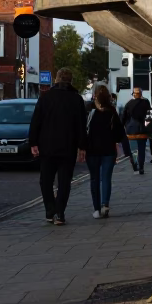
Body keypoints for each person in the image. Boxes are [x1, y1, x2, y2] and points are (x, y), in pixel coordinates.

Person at [28, 67, 86, 225]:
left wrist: (33, 142)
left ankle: (49, 210)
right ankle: (60, 213)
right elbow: (81, 125)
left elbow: (36, 121)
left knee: (45, 180)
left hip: (47, 147)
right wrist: (82, 147)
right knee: (64, 181)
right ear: (70, 80)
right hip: (68, 147)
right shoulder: (77, 99)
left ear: (57, 79)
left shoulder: (46, 98)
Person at [85, 83, 133, 218]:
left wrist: (81, 147)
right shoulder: (111, 111)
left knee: (94, 179)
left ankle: (96, 209)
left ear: (94, 95)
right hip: (109, 150)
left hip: (92, 150)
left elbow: (83, 130)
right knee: (106, 178)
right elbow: (119, 134)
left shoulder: (89, 109)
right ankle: (105, 205)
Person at [122, 87, 152, 174]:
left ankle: (135, 165)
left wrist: (125, 126)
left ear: (133, 94)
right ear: (141, 94)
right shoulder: (146, 102)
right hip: (142, 130)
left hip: (131, 131)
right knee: (141, 149)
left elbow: (124, 117)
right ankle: (141, 167)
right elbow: (149, 116)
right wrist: (148, 126)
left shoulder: (128, 104)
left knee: (134, 150)